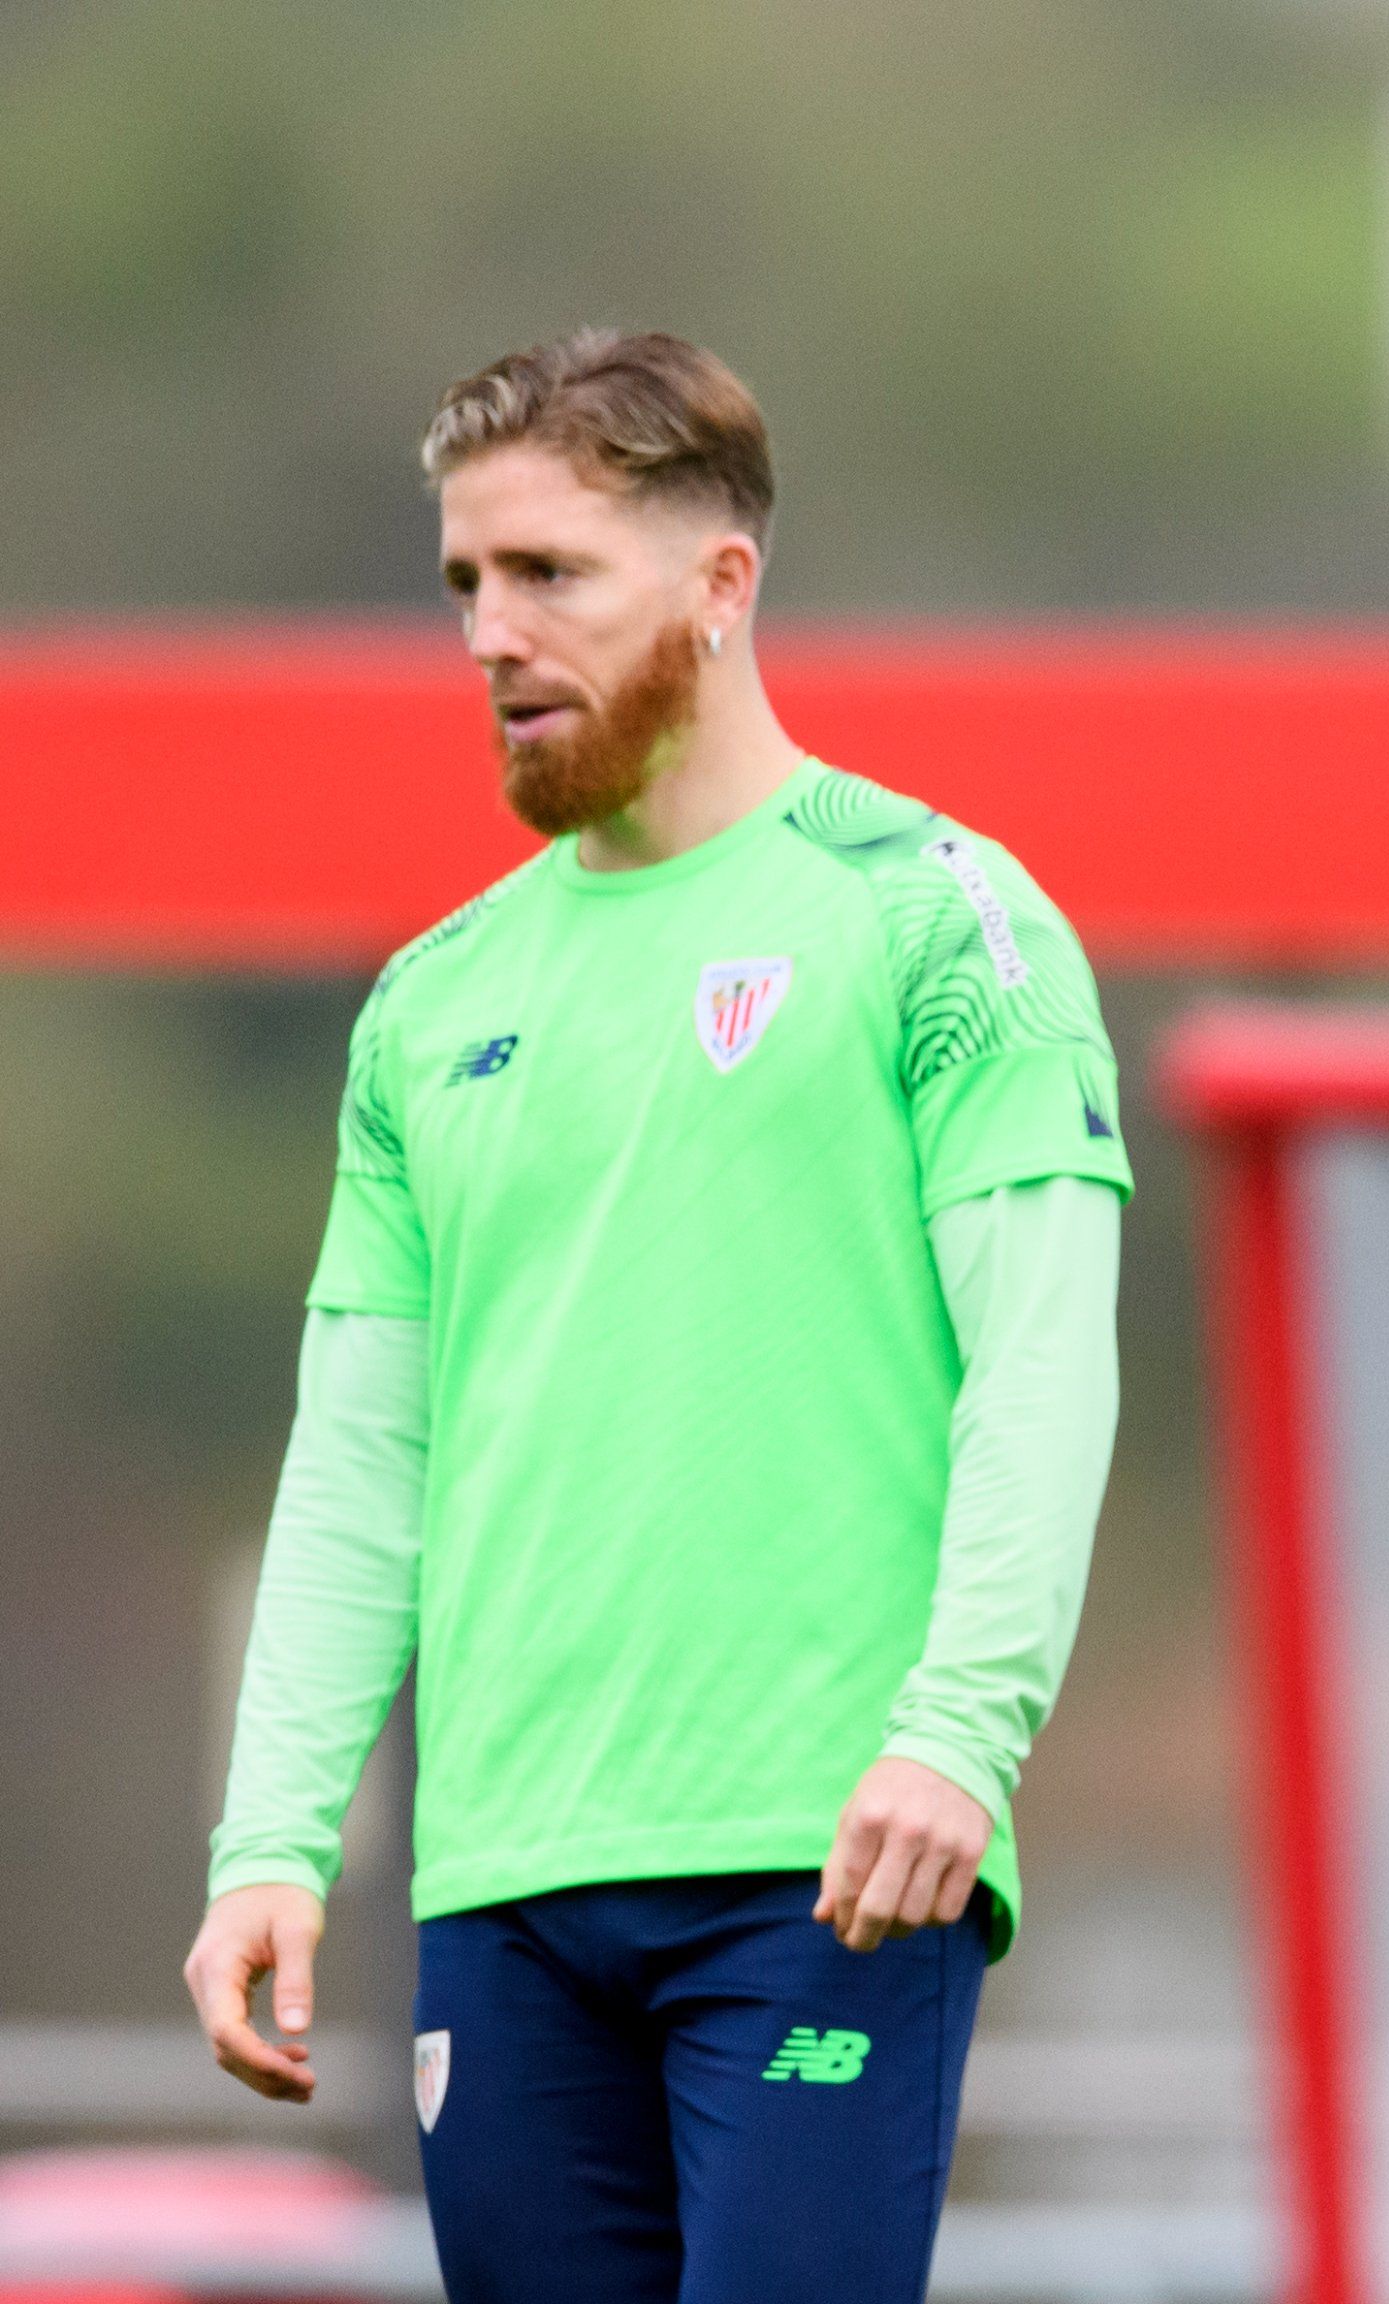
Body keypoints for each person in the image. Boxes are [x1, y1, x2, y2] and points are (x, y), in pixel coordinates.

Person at [180, 330, 1128, 2304]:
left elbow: (1042, 1360)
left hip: (833, 1868)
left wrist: (960, 1734)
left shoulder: (936, 915)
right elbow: (365, 1453)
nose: (489, 635)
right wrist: (268, 1838)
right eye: (463, 583)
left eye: (549, 577)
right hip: (504, 1894)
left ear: (719, 583)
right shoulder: (429, 1004)